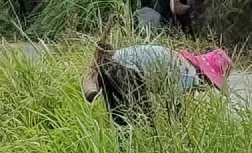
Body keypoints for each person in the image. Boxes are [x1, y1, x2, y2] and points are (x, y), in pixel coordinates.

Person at [82, 42, 231, 126]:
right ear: (205, 77)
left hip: (111, 64)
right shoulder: (188, 72)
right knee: (142, 122)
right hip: (126, 70)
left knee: (122, 122)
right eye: (210, 84)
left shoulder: (180, 60)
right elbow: (174, 106)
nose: (207, 88)